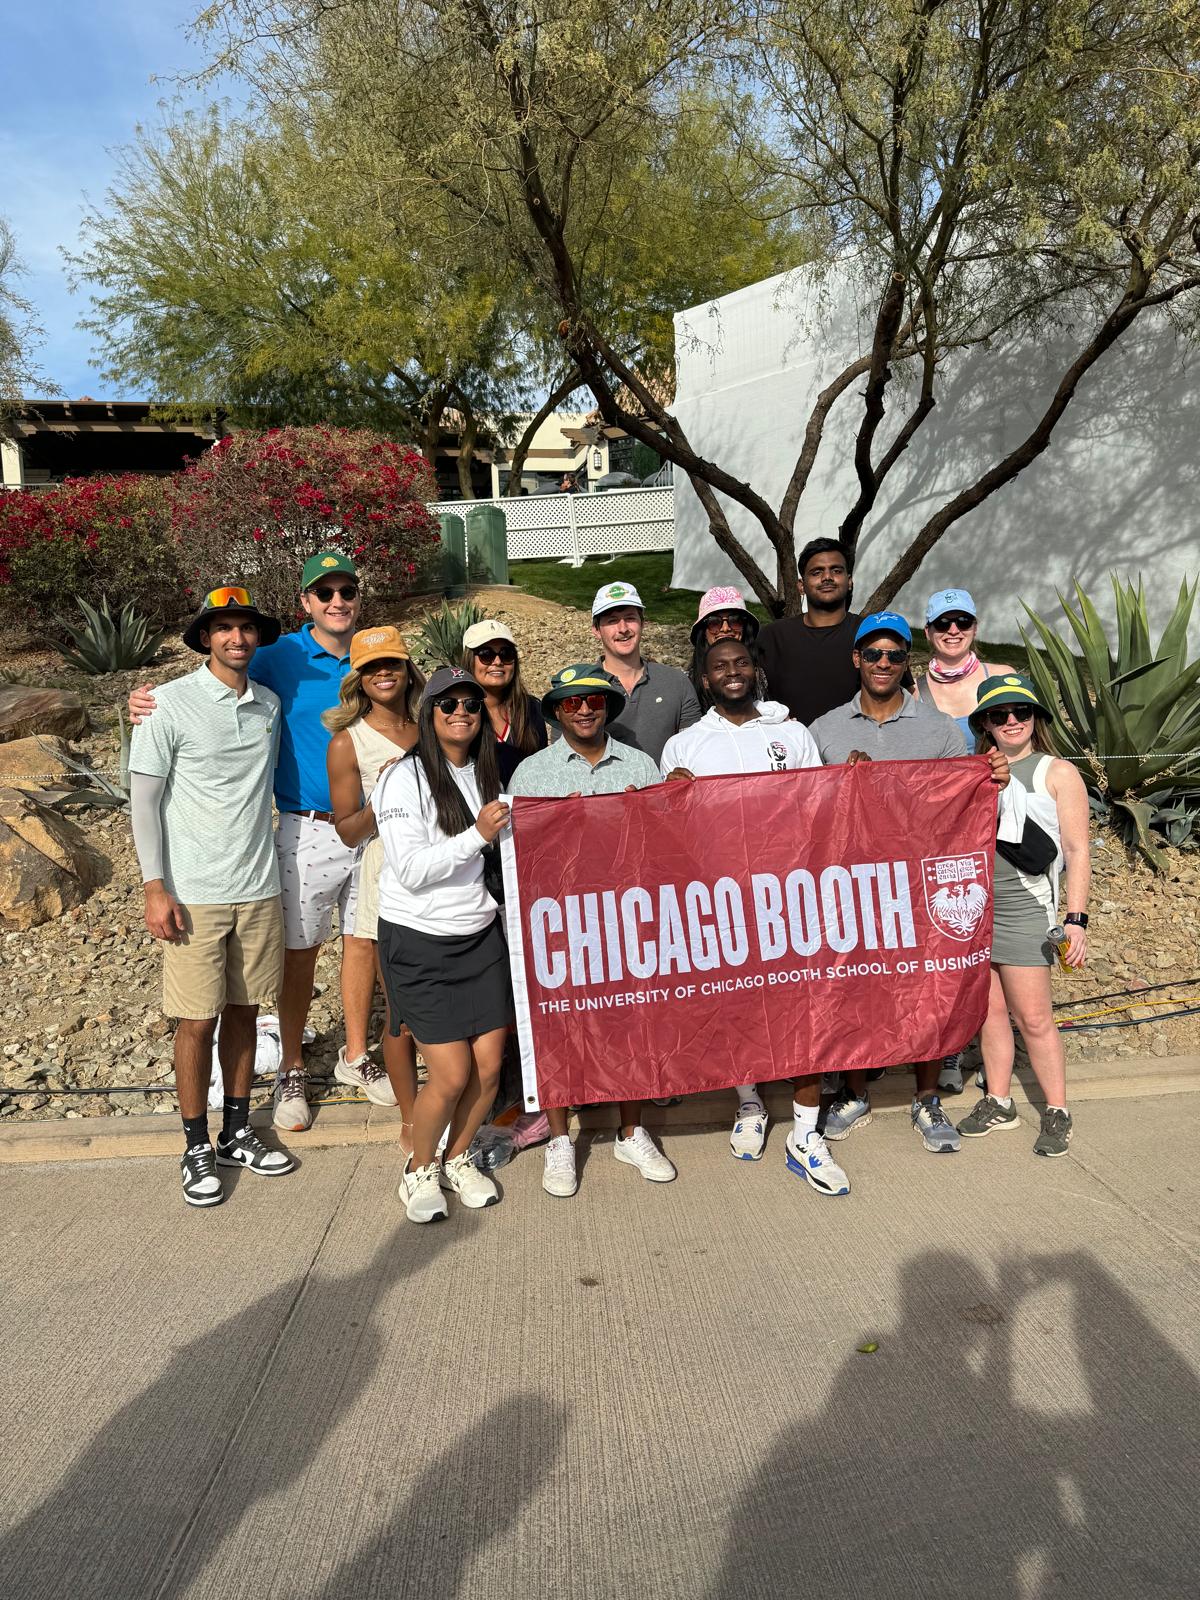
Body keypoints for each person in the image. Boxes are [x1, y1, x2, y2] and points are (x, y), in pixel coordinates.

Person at [131, 551, 378, 1135]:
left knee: (362, 943)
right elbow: (209, 679)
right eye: (325, 593)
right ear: (306, 602)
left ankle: (354, 1056)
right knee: (298, 953)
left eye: (346, 591)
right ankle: (289, 1069)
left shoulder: (376, 654)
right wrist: (143, 702)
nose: (337, 601)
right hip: (304, 827)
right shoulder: (277, 655)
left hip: (367, 829)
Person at [809, 612, 1009, 1156]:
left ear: (906, 662)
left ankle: (925, 1096)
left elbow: (963, 802)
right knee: (854, 985)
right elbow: (807, 810)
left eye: (895, 655)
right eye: (873, 653)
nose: (883, 663)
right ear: (856, 659)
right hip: (852, 884)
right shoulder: (824, 729)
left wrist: (990, 780)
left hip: (920, 882)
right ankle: (854, 1092)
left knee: (927, 987)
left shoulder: (941, 730)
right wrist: (843, 787)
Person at [659, 637, 853, 1195]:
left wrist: (852, 782)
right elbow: (672, 838)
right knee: (738, 1005)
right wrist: (670, 799)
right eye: (720, 666)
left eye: (741, 662)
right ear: (704, 680)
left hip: (791, 895)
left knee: (803, 1009)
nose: (732, 672)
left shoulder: (792, 734)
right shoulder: (682, 746)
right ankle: (749, 1102)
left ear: (756, 671)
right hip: (725, 901)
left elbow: (821, 806)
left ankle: (806, 1132)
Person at [128, 585, 296, 1208]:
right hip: (193, 894)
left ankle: (236, 1131)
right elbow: (143, 801)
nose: (236, 637)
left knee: (247, 1010)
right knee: (197, 1021)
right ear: (205, 638)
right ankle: (195, 1143)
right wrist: (155, 886)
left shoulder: (268, 704)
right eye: (223, 628)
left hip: (257, 887)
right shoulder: (166, 704)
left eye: (245, 627)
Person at [508, 663, 674, 1197]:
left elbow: (666, 842)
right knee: (557, 1024)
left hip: (626, 917)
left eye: (594, 701)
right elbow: (518, 854)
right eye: (572, 702)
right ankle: (560, 1139)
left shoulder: (641, 765)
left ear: (608, 707)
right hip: (560, 921)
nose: (584, 710)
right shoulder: (531, 773)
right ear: (557, 712)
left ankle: (631, 1131)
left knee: (633, 1021)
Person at [373, 666, 513, 1223]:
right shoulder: (402, 778)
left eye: (471, 705)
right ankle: (419, 1168)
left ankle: (457, 1157)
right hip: (419, 939)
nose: (461, 713)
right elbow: (409, 870)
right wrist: (477, 834)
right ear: (428, 713)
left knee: (489, 1068)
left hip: (479, 936)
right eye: (448, 704)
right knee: (451, 1075)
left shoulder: (489, 770)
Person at [957, 675, 1089, 1158]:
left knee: (1033, 1018)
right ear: (985, 725)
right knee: (989, 1014)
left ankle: (1057, 1110)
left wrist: (1076, 919)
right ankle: (999, 1100)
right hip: (975, 909)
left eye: (1022, 711)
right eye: (999, 715)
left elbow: (1076, 849)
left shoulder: (1058, 772)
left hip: (1026, 909)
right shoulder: (970, 771)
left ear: (1037, 718)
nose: (1012, 721)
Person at [324, 625, 425, 1150]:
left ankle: (445, 1088)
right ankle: (415, 1117)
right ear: (358, 679)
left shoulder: (432, 724)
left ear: (408, 670)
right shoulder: (348, 741)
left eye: (392, 663)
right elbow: (347, 830)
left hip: (441, 868)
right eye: (371, 667)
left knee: (438, 985)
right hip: (386, 870)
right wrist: (382, 793)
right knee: (401, 995)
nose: (383, 673)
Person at [916, 587, 1016, 1092]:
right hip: (947, 833)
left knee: (997, 940)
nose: (953, 631)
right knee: (954, 936)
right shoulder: (915, 689)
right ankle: (953, 1047)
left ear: (975, 627)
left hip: (1003, 825)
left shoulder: (1000, 676)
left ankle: (995, 1045)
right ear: (928, 632)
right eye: (943, 624)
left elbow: (1027, 743)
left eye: (962, 622)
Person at [590, 579, 701, 764]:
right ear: (596, 630)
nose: (623, 629)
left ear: (643, 623)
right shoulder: (580, 688)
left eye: (630, 618)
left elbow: (694, 749)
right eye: (612, 621)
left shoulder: (677, 682)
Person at [757, 538, 862, 725]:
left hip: (856, 742)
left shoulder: (870, 633)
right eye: (816, 572)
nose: (827, 577)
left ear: (849, 581)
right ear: (801, 585)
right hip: (789, 741)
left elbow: (903, 697)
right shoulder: (773, 637)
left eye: (836, 570)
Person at [461, 619, 548, 784]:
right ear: (469, 659)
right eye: (486, 654)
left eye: (506, 654)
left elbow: (543, 770)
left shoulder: (531, 709)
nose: (497, 662)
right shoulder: (456, 712)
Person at [687, 586, 766, 707]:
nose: (725, 628)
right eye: (714, 622)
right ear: (703, 631)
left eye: (735, 620)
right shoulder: (687, 682)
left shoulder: (764, 671)